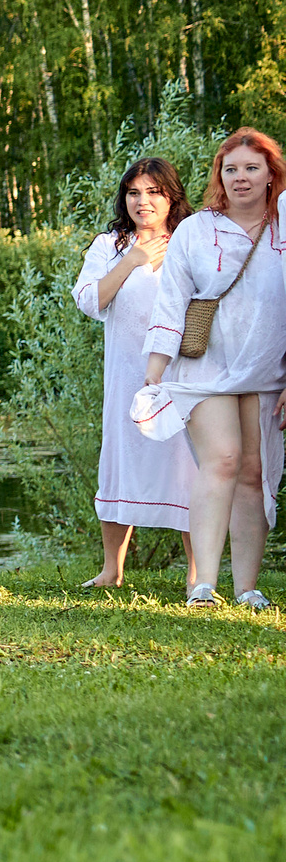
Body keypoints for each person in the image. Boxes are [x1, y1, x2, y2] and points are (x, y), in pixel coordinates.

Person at [139, 129, 286, 608]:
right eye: (231, 169)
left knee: (254, 472)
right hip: (205, 368)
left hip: (267, 370)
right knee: (221, 460)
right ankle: (203, 585)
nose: (240, 178)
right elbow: (172, 301)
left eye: (251, 168)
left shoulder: (284, 226)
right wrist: (154, 374)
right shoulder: (197, 230)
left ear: (271, 175)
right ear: (219, 176)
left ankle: (248, 588)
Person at [75, 158, 198, 587]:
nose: (142, 201)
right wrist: (132, 261)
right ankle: (112, 570)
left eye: (153, 192)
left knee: (190, 467)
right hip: (127, 374)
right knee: (121, 462)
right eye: (133, 192)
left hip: (186, 374)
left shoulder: (192, 238)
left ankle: (197, 575)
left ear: (172, 196)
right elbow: (90, 301)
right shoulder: (109, 245)